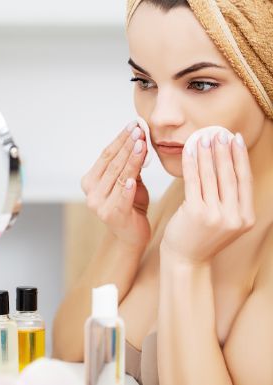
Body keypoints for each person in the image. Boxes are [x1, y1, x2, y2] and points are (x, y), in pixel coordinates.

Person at [52, 1, 273, 384]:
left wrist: (185, 263)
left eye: (200, 84)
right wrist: (123, 240)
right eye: (145, 82)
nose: (159, 117)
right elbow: (67, 351)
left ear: (264, 78)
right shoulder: (181, 193)